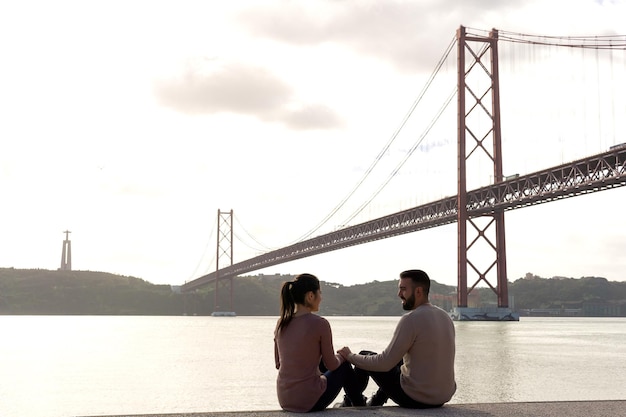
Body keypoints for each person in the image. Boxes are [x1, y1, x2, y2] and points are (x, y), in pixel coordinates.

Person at [337, 269, 456, 408]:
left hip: (415, 399)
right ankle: (375, 401)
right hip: (443, 397)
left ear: (418, 291)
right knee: (399, 359)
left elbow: (384, 363)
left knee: (364, 356)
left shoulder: (411, 319)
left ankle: (353, 404)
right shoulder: (445, 317)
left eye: (403, 289)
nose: (399, 294)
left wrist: (350, 356)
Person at [274, 273, 366, 412]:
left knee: (322, 365)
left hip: (285, 399)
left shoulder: (281, 323)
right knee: (344, 365)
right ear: (310, 296)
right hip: (308, 402)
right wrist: (343, 356)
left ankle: (355, 403)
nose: (321, 298)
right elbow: (333, 365)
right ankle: (361, 406)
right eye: (320, 293)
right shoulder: (320, 324)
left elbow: (278, 364)